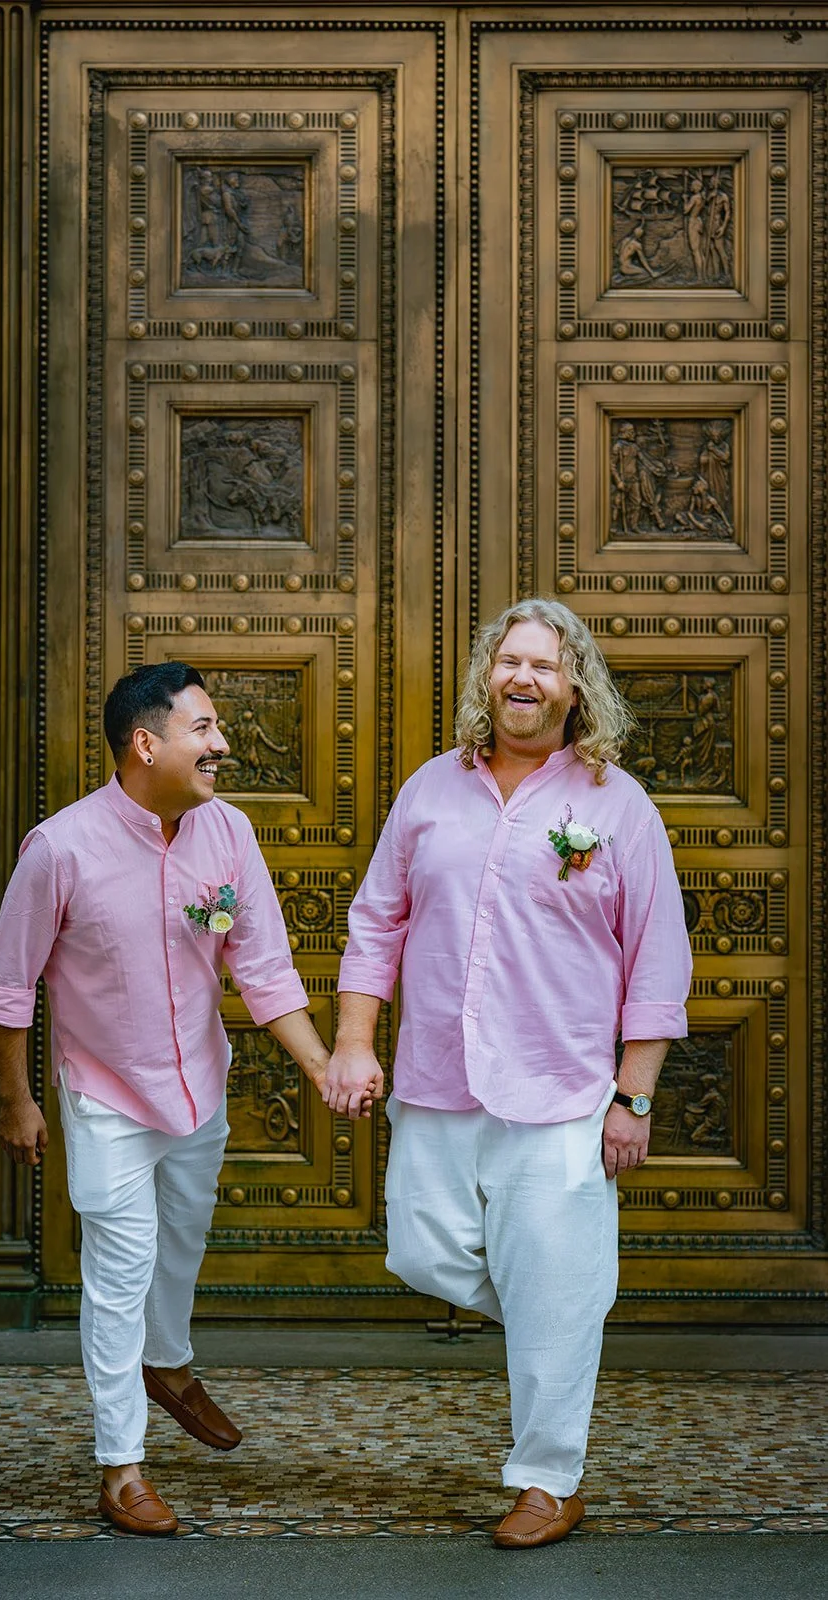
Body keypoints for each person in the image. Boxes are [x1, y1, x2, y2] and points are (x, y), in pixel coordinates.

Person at [323, 598, 691, 1549]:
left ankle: (547, 1481)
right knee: (421, 1252)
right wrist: (356, 1042)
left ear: (577, 690)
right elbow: (376, 923)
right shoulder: (430, 790)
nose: (523, 679)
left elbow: (655, 960)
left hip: (561, 1090)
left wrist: (632, 1094)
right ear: (487, 675)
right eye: (509, 661)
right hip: (437, 1078)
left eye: (545, 666)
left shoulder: (616, 804)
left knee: (556, 1286)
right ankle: (559, 1315)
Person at [0, 662, 331, 1536]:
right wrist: (16, 1103)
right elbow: (6, 985)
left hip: (198, 1086)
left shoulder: (229, 835)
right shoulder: (60, 847)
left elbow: (262, 967)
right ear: (146, 742)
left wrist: (321, 1068)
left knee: (181, 1243)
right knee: (119, 1271)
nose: (222, 746)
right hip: (105, 1096)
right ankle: (121, 1467)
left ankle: (166, 1363)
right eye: (204, 729)